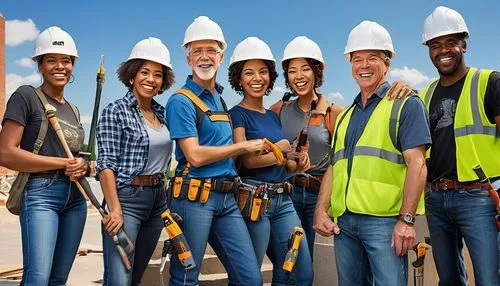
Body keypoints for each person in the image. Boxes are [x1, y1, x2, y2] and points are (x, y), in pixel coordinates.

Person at [313, 20, 431, 285]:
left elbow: (418, 164)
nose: (364, 66)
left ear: (387, 63)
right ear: (350, 64)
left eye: (373, 58)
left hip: (385, 223)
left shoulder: (406, 105)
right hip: (344, 222)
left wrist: (407, 220)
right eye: (357, 59)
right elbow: (335, 166)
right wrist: (321, 210)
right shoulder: (345, 116)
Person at [165, 16, 264, 286]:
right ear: (188, 59)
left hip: (226, 197)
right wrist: (242, 146)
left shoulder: (220, 99)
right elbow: (194, 155)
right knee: (186, 278)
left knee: (250, 278)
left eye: (211, 50)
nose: (204, 57)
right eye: (197, 50)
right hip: (193, 198)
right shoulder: (181, 101)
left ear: (221, 57)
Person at [0, 26, 88, 285]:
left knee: (59, 279)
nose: (60, 66)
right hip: (40, 195)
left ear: (72, 65)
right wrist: (63, 163)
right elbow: (5, 153)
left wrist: (83, 165)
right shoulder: (26, 97)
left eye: (65, 61)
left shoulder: (72, 110)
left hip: (75, 198)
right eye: (51, 60)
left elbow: (77, 158)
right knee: (38, 278)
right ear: (40, 65)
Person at [420, 6, 500, 285]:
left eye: (451, 42)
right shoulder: (425, 94)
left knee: (490, 279)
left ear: (464, 43)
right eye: (435, 45)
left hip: (479, 198)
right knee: (449, 280)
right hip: (436, 199)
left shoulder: (489, 82)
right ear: (428, 50)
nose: (443, 50)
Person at [228, 37, 314, 285]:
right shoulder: (237, 114)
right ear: (239, 78)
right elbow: (247, 161)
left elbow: (285, 165)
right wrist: (282, 148)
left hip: (284, 200)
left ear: (270, 77)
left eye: (263, 72)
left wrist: (297, 160)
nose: (257, 78)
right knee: (249, 276)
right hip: (255, 201)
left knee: (299, 272)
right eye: (249, 73)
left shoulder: (273, 116)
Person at [96, 37, 175, 285]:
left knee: (135, 276)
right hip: (127, 200)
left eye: (158, 75)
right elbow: (105, 164)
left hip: (157, 202)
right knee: (120, 278)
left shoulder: (163, 114)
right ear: (132, 75)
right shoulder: (115, 111)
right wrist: (115, 209)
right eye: (144, 72)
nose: (151, 80)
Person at [269, 36, 343, 261]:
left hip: (317, 196)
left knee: (304, 261)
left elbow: (339, 162)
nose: (298, 76)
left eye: (305, 69)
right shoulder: (278, 110)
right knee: (287, 260)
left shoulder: (334, 113)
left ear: (316, 73)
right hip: (285, 193)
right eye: (292, 71)